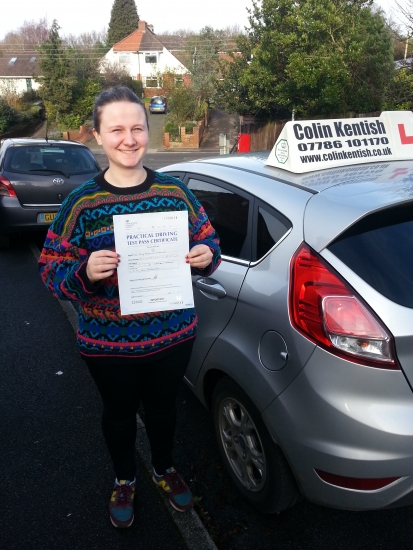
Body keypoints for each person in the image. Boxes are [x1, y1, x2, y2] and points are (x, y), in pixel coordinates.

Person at [38, 86, 221, 528]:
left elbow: (211, 239)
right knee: (119, 415)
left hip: (172, 336)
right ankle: (125, 477)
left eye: (137, 127)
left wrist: (206, 255)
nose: (129, 138)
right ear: (98, 135)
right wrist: (84, 272)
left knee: (163, 410)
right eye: (116, 129)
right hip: (106, 342)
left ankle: (162, 468)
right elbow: (49, 269)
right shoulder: (80, 203)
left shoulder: (175, 193)